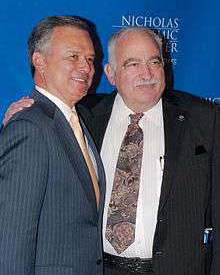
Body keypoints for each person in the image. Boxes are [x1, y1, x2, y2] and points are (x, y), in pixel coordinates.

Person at [4, 26, 220, 275]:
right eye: (133, 64)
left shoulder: (204, 119)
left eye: (154, 61)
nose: (147, 73)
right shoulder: (80, 117)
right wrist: (20, 115)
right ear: (110, 73)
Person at [0, 15, 106, 275]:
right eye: (73, 56)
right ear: (40, 61)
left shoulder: (74, 120)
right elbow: (11, 241)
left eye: (90, 59)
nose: (86, 67)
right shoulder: (31, 128)